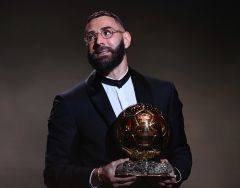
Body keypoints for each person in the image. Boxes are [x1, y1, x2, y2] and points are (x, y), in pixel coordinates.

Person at [44, 10, 192, 188]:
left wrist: (174, 174)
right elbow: (53, 173)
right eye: (91, 37)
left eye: (107, 32)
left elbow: (181, 152)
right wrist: (98, 175)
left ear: (127, 39)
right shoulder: (69, 103)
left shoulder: (163, 91)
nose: (98, 42)